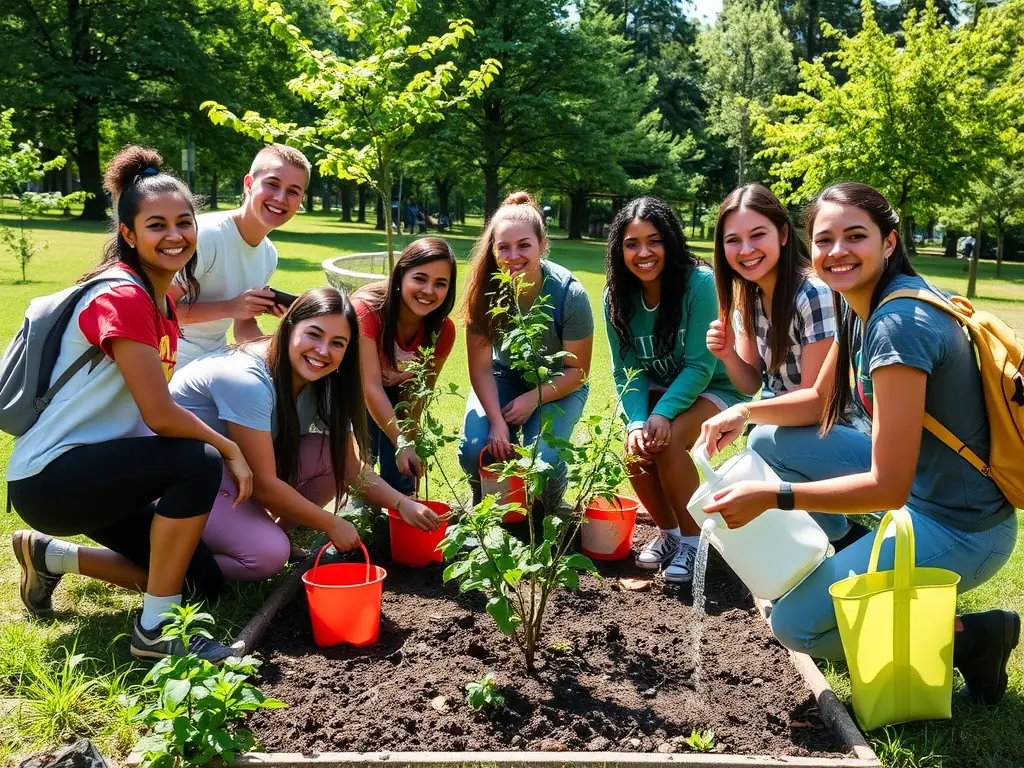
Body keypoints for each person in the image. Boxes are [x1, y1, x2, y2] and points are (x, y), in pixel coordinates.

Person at [698, 182, 1019, 704]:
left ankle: (975, 639)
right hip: (924, 495)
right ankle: (848, 557)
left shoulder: (898, 326)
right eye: (824, 240)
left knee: (796, 624)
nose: (837, 252)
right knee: (772, 440)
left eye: (855, 236)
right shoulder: (860, 303)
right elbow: (814, 402)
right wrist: (744, 409)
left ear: (889, 242)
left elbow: (887, 487)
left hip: (962, 528)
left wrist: (773, 498)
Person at [8, 146, 253, 662]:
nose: (174, 236)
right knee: (199, 461)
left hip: (95, 474)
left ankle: (49, 557)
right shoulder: (123, 297)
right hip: (53, 477)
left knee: (201, 581)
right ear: (128, 234)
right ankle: (155, 632)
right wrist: (229, 448)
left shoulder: (159, 300)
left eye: (184, 222)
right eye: (156, 224)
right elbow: (159, 414)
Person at [170, 287, 442, 581]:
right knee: (267, 555)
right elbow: (264, 485)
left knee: (329, 454)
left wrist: (402, 503)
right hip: (179, 482)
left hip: (231, 474)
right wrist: (330, 523)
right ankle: (163, 565)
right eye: (314, 334)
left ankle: (261, 530)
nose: (323, 351)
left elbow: (348, 468)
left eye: (337, 343)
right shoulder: (247, 380)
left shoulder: (327, 383)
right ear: (289, 326)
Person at [604, 196, 748, 584]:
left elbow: (701, 366)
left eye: (654, 241)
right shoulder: (615, 298)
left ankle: (694, 539)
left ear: (670, 242)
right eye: (632, 244)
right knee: (636, 448)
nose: (644, 252)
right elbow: (626, 370)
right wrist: (637, 421)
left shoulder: (699, 284)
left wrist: (662, 414)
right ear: (619, 250)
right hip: (663, 389)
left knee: (669, 440)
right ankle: (669, 534)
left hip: (719, 386)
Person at [705, 184, 851, 545]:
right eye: (733, 240)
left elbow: (818, 403)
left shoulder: (812, 293)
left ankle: (840, 539)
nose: (746, 250)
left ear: (783, 234)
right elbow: (749, 381)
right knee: (759, 442)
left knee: (762, 440)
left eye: (758, 235)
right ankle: (819, 544)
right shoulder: (751, 295)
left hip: (842, 427)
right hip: (792, 425)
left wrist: (745, 413)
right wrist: (727, 355)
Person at [458, 191, 594, 516]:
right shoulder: (483, 290)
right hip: (503, 376)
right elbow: (480, 368)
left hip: (560, 383)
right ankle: (483, 501)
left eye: (524, 246)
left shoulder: (569, 294)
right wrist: (496, 422)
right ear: (492, 249)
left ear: (542, 245)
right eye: (503, 247)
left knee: (541, 460)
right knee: (476, 449)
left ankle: (550, 498)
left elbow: (579, 372)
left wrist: (533, 398)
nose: (513, 255)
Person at [171, 144, 311, 368]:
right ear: (248, 184)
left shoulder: (268, 254)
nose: (280, 198)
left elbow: (242, 328)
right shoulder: (207, 235)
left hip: (210, 364)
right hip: (165, 365)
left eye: (293, 191)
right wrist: (230, 307)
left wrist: (279, 348)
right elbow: (156, 311)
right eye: (272, 184)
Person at [351, 238, 457, 500]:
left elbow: (419, 393)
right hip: (352, 390)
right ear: (400, 276)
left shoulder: (443, 330)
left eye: (440, 283)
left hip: (396, 394)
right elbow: (369, 387)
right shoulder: (366, 311)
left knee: (399, 473)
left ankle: (403, 500)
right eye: (420, 279)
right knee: (367, 448)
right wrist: (402, 442)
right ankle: (358, 500)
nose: (429, 290)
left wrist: (408, 442)